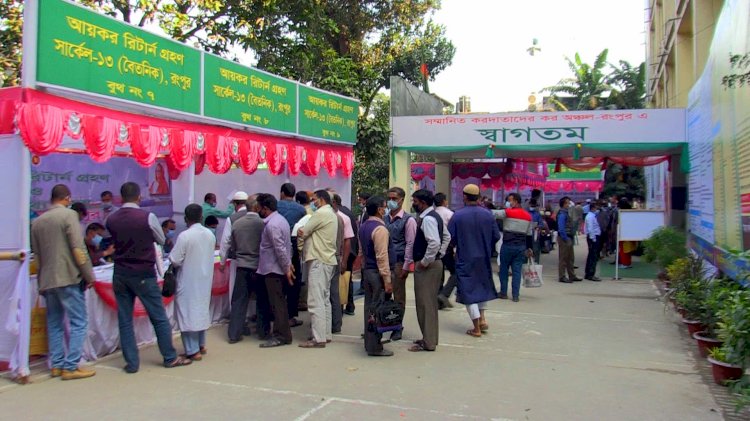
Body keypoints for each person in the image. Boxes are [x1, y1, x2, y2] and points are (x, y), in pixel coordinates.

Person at [107, 182, 192, 372]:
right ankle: (169, 357)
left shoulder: (111, 219)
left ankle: (131, 363)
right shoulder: (147, 217)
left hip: (120, 272)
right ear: (139, 197)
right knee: (159, 317)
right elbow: (161, 240)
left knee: (125, 319)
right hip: (143, 272)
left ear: (121, 198)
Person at [31, 184, 96, 380]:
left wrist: (41, 282)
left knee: (54, 322)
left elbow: (38, 257)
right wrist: (89, 275)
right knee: (79, 321)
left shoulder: (37, 222)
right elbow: (78, 249)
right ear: (67, 198)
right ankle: (71, 365)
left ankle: (57, 365)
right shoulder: (69, 216)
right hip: (68, 276)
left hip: (48, 279)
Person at [449, 184, 501, 337]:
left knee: (468, 291)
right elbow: (496, 236)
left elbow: (450, 238)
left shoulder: (458, 215)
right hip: (483, 257)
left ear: (464, 196)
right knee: (481, 287)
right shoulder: (488, 214)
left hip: (465, 257)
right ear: (478, 197)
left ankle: (476, 327)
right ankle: (483, 319)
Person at [169, 204, 216, 361]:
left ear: (185, 219)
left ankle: (192, 350)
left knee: (187, 314)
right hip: (204, 279)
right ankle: (201, 344)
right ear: (201, 217)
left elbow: (175, 260)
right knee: (200, 310)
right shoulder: (210, 234)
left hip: (188, 280)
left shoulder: (185, 236)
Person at [408, 189, 450, 352]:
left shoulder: (428, 219)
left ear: (423, 203)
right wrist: (441, 253)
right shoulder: (435, 216)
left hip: (428, 266)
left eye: (415, 202)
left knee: (424, 304)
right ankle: (430, 337)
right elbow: (446, 237)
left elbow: (433, 242)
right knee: (429, 303)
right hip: (435, 263)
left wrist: (425, 261)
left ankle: (428, 341)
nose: (414, 204)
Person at [224, 195, 270, 343]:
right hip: (258, 266)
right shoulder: (263, 224)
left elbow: (231, 245)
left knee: (239, 301)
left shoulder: (236, 223)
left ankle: (234, 334)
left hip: (242, 266)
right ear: (257, 208)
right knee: (262, 300)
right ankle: (263, 332)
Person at [298, 190, 338, 348]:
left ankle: (318, 338)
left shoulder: (320, 214)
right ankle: (325, 334)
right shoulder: (331, 214)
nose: (312, 202)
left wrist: (303, 232)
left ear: (321, 200)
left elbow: (304, 231)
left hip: (318, 260)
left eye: (313, 200)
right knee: (324, 299)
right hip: (327, 259)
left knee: (315, 301)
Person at [256, 193, 295, 348]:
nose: (258, 210)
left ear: (265, 208)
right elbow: (287, 246)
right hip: (276, 268)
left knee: (277, 303)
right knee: (278, 303)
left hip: (273, 269)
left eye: (259, 208)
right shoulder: (281, 220)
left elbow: (280, 248)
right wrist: (288, 265)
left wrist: (286, 268)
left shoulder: (272, 225)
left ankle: (282, 335)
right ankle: (281, 333)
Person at [358, 195, 395, 357]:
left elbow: (361, 253)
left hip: (368, 271)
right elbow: (382, 256)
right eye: (385, 206)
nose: (386, 209)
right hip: (377, 274)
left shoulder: (364, 226)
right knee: (377, 310)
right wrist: (387, 279)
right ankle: (375, 346)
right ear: (380, 210)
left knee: (369, 308)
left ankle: (370, 342)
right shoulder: (380, 229)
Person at [384, 187, 416, 341]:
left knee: (398, 298)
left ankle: (397, 327)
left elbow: (410, 244)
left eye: (394, 199)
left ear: (402, 200)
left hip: (398, 262)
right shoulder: (384, 218)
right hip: (384, 262)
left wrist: (406, 266)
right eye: (389, 198)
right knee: (382, 295)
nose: (391, 201)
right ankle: (381, 323)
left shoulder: (408, 220)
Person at [491, 193, 534, 302]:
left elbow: (492, 213)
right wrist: (529, 248)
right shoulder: (528, 216)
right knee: (517, 271)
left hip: (507, 245)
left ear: (515, 201)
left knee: (504, 270)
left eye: (510, 201)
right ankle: (515, 295)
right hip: (521, 247)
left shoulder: (508, 212)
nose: (509, 203)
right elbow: (529, 234)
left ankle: (504, 292)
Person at [277, 183, 307, 328]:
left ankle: (276, 315)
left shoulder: (276, 206)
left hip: (277, 246)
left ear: (282, 193)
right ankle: (291, 315)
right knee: (294, 281)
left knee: (277, 280)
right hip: (294, 246)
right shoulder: (301, 209)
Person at [333, 194, 358, 316]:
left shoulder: (342, 216)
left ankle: (342, 306)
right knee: (346, 280)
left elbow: (347, 239)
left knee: (342, 280)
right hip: (350, 251)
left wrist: (344, 260)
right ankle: (349, 305)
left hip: (344, 253)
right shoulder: (349, 212)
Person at [433, 192, 455, 309]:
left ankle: (439, 299)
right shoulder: (449, 214)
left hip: (434, 246)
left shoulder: (433, 214)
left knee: (439, 273)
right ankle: (444, 294)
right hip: (447, 247)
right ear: (444, 201)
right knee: (456, 272)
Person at [556, 196, 582, 284]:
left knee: (570, 258)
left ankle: (572, 275)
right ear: (563, 204)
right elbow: (561, 228)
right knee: (563, 258)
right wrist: (565, 238)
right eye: (567, 202)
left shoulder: (566, 213)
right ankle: (562, 276)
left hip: (568, 237)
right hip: (564, 237)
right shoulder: (562, 214)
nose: (569, 204)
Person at [584, 202, 602, 281]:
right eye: (596, 208)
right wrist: (593, 238)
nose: (597, 209)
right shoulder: (590, 217)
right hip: (593, 237)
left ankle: (588, 273)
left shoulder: (591, 216)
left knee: (591, 255)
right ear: (593, 208)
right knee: (593, 256)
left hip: (593, 237)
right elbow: (590, 228)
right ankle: (591, 274)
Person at [528, 199, 548, 264]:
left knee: (536, 250)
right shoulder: (526, 213)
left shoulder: (537, 214)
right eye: (532, 205)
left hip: (535, 235)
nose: (532, 207)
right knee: (526, 251)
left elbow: (541, 224)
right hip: (527, 234)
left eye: (534, 205)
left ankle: (536, 264)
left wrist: (537, 227)